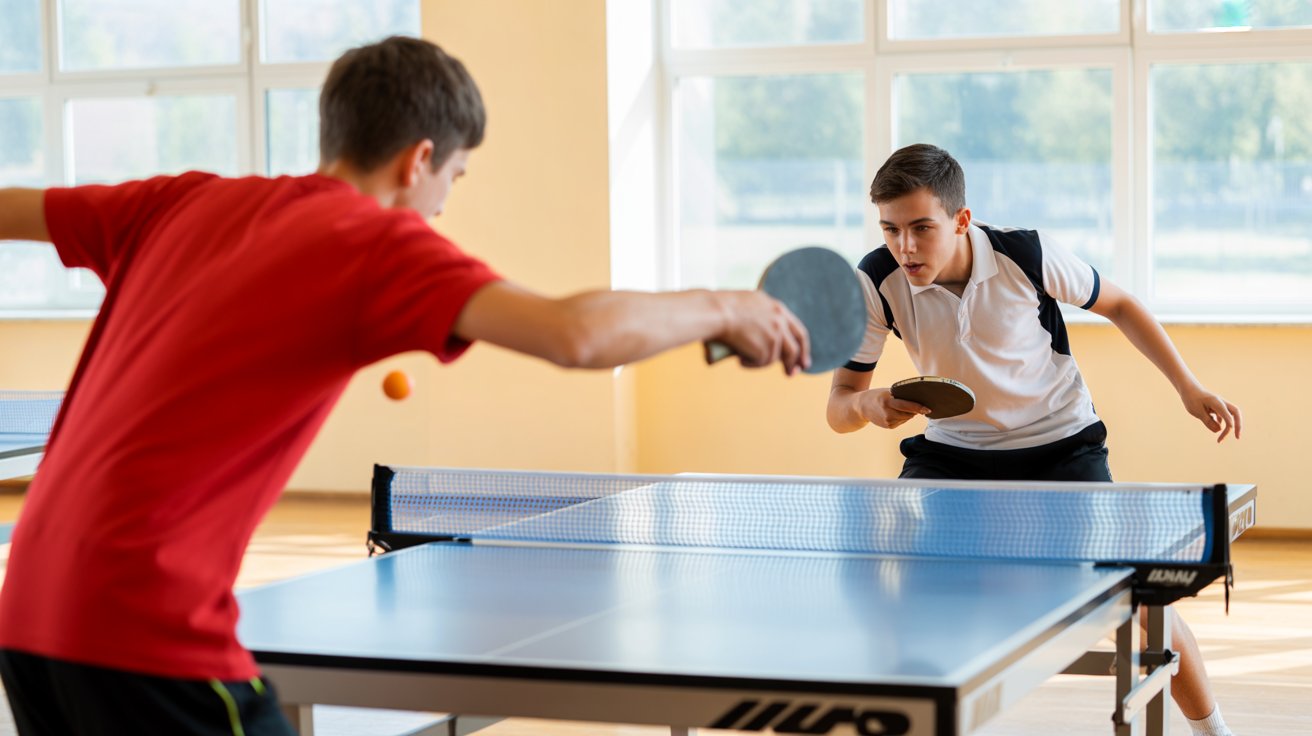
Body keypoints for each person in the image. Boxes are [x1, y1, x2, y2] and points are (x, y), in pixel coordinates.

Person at [0, 36, 810, 735]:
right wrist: (723, 305)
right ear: (420, 158)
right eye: (456, 175)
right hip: (143, 623)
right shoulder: (373, 243)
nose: (446, 202)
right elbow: (576, 334)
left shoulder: (183, 201)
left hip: (29, 611)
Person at [826, 143, 1242, 736]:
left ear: (961, 220)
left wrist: (1188, 387)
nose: (906, 246)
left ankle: (1214, 731)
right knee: (904, 594)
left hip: (1061, 445)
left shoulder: (1025, 254)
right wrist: (866, 405)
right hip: (953, 454)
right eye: (891, 229)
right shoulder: (876, 281)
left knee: (1142, 605)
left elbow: (1120, 303)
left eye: (922, 227)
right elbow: (838, 405)